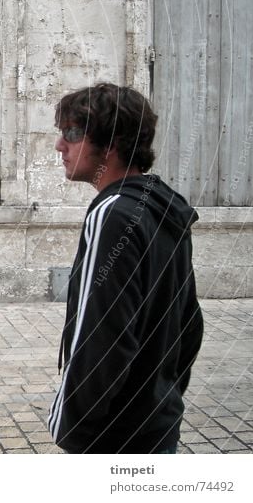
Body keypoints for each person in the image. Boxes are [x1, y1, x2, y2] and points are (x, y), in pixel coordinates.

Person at [48, 82, 203, 453]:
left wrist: (73, 430)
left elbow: (100, 337)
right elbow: (190, 324)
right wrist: (163, 396)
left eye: (72, 133)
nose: (60, 146)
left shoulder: (112, 214)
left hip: (114, 439)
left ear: (111, 143)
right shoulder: (163, 207)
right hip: (157, 426)